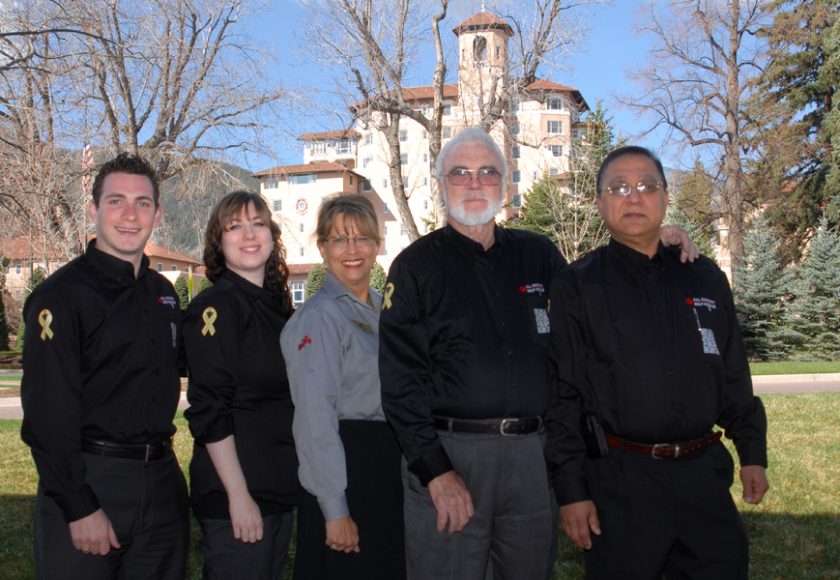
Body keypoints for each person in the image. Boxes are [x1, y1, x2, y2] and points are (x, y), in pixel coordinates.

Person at [378, 128, 699, 579]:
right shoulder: (414, 267)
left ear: (506, 184)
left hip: (533, 461)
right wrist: (436, 471)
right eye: (460, 173)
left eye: (488, 172)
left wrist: (651, 237)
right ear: (441, 185)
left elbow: (599, 288)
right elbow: (399, 382)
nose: (474, 183)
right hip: (451, 456)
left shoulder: (538, 254)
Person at [545, 145, 769, 579]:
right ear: (599, 203)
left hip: (704, 480)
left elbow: (734, 375)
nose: (634, 197)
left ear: (665, 198)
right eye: (619, 187)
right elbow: (563, 394)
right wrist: (571, 490)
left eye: (647, 186)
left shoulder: (705, 277)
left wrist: (753, 453)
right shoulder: (577, 286)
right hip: (621, 485)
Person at [20, 153, 189, 579]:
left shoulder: (163, 295)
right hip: (91, 480)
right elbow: (48, 414)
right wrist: (79, 505)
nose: (130, 215)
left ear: (158, 214)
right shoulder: (61, 297)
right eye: (116, 201)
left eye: (143, 203)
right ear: (93, 210)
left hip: (161, 484)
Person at [280, 194, 405, 580]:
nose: (352, 250)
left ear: (377, 244)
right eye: (339, 240)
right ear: (322, 248)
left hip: (386, 471)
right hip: (347, 474)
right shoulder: (320, 317)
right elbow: (315, 419)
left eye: (362, 238)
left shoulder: (386, 310)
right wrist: (334, 510)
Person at [183, 191, 298, 579]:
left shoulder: (276, 307)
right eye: (235, 227)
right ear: (219, 241)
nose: (249, 234)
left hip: (279, 488)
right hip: (239, 495)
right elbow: (209, 408)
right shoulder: (216, 307)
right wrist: (238, 496)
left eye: (258, 223)